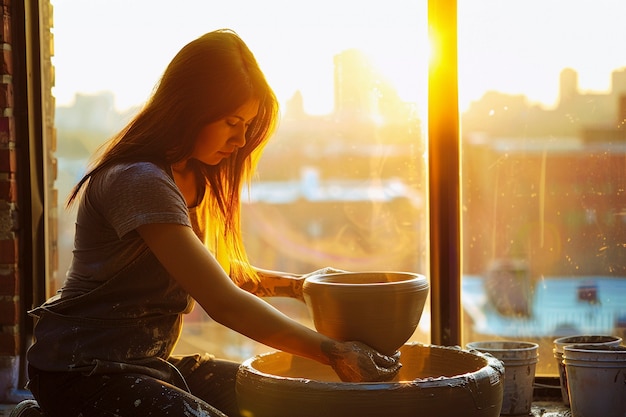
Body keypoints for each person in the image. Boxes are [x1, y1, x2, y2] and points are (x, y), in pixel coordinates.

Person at [21, 29, 400, 417]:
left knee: (284, 399)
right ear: (189, 108)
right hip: (81, 373)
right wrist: (333, 352)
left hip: (147, 367)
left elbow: (212, 273)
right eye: (231, 121)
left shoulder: (194, 176)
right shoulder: (140, 180)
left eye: (248, 125)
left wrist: (302, 287)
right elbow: (222, 301)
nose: (240, 139)